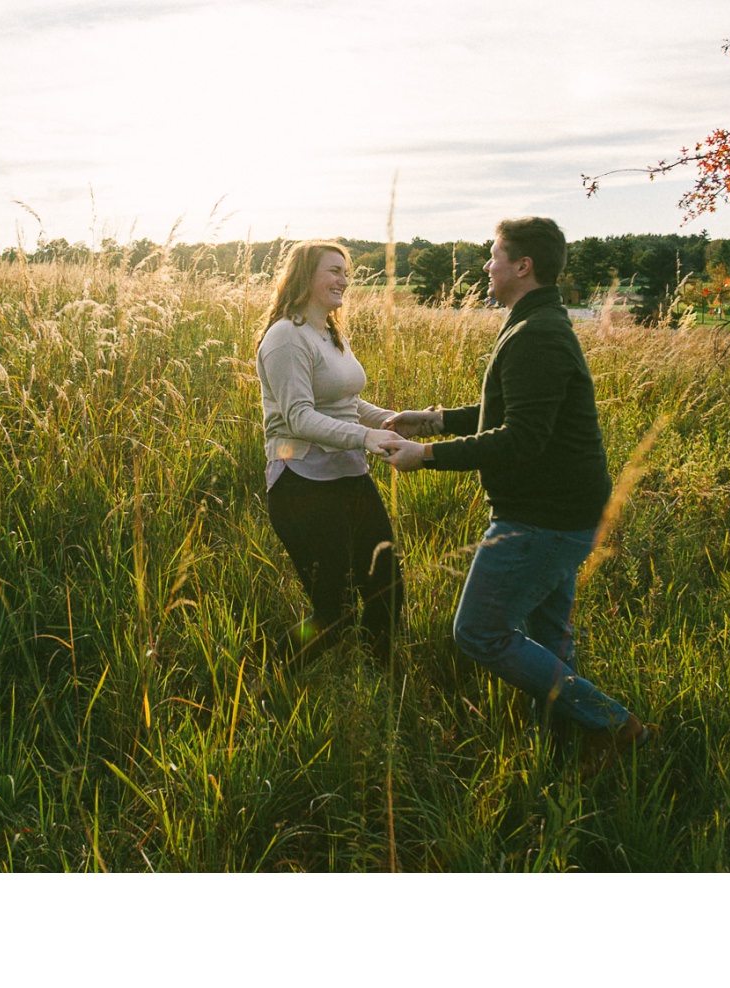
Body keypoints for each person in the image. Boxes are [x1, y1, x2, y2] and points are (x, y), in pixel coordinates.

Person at [382, 216, 649, 779]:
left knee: (479, 632)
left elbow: (522, 438)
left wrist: (425, 456)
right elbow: (508, 412)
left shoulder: (538, 335)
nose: (486, 265)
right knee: (549, 634)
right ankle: (559, 743)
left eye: (494, 255)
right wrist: (429, 422)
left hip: (543, 517)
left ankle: (611, 723)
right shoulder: (535, 322)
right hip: (560, 509)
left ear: (523, 266)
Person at [255, 240, 405, 666]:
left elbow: (348, 404)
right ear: (305, 276)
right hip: (302, 484)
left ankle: (384, 683)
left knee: (386, 586)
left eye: (346, 272)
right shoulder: (286, 336)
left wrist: (391, 420)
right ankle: (268, 679)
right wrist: (363, 438)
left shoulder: (329, 332)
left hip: (348, 476)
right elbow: (299, 417)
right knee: (334, 614)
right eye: (334, 271)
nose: (344, 279)